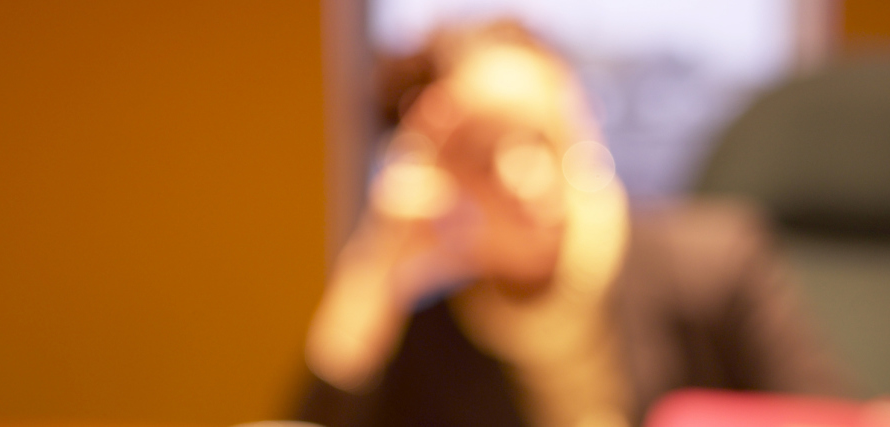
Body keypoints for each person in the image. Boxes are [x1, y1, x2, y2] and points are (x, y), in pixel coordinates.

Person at [301, 22, 845, 427]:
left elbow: (830, 419)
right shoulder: (429, 337)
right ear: (430, 174)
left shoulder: (716, 266)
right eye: (483, 153)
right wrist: (373, 269)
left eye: (542, 136)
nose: (526, 178)